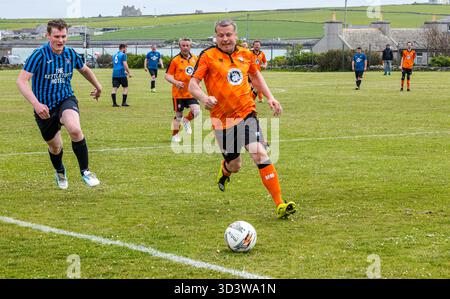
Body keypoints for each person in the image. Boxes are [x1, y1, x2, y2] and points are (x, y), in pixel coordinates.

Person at [189, 19, 297, 219]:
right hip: (222, 120)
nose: (225, 39)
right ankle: (225, 169)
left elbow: (256, 77)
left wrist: (271, 97)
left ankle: (280, 204)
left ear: (235, 36)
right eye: (221, 35)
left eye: (228, 34)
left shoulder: (245, 55)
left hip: (247, 113)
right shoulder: (208, 56)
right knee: (235, 165)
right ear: (216, 36)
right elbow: (192, 84)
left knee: (259, 153)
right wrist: (203, 97)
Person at [16, 19, 101, 189]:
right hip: (44, 108)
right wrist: (36, 104)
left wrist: (98, 86)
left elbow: (84, 69)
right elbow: (21, 81)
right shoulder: (39, 55)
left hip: (65, 99)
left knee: (75, 130)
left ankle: (85, 171)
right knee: (55, 147)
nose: (60, 40)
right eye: (56, 36)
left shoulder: (70, 54)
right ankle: (60, 171)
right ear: (48, 35)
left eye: (63, 36)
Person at [164, 38, 200, 143]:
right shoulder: (175, 60)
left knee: (197, 111)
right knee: (178, 115)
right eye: (183, 45)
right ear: (180, 47)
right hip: (178, 93)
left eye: (187, 45)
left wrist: (198, 83)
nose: (185, 47)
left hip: (191, 91)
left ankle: (187, 120)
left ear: (190, 46)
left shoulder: (195, 58)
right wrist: (176, 82)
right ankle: (175, 135)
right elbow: (167, 76)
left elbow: (197, 73)